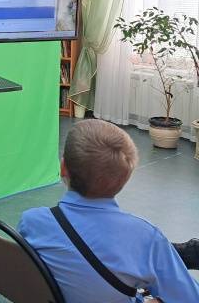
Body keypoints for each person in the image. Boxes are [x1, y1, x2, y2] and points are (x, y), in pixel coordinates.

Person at [19, 119, 199, 302]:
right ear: (125, 178)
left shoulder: (31, 221)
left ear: (63, 168)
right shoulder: (146, 238)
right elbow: (190, 298)